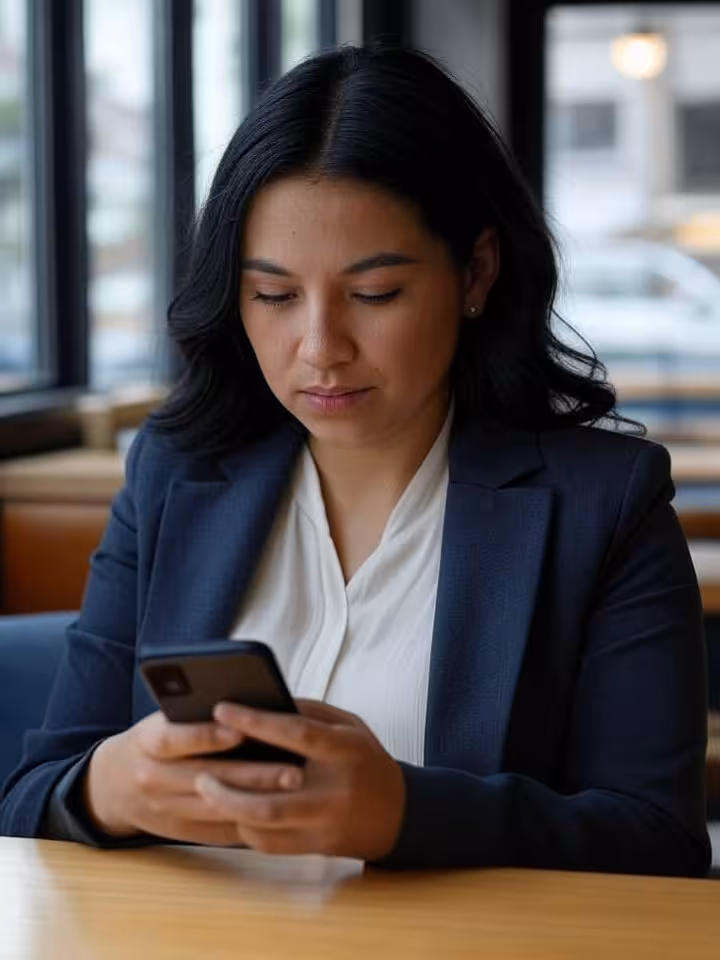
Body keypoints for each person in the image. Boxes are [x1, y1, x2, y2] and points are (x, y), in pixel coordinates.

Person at [0, 45, 710, 875]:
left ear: (476, 272)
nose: (319, 349)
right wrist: (106, 789)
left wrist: (408, 813)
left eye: (374, 294)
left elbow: (660, 846)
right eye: (272, 294)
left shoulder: (605, 503)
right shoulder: (176, 472)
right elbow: (30, 795)